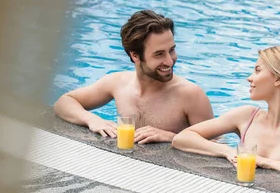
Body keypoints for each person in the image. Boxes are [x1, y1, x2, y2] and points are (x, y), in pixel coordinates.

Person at [172, 45, 280, 183]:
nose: (249, 78)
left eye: (257, 70)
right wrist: (228, 151)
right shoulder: (246, 116)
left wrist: (267, 163)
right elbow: (182, 138)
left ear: (278, 79)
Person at [54, 10, 214, 143]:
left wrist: (171, 137)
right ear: (135, 56)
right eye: (159, 54)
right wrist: (92, 120)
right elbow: (64, 102)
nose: (169, 61)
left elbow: (216, 145)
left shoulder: (191, 95)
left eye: (171, 50)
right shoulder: (118, 83)